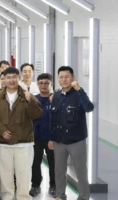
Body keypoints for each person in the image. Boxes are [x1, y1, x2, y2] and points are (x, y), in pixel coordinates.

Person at [0, 67, 43, 200]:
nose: (11, 80)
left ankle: (23, 197)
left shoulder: (27, 96)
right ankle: (7, 197)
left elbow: (37, 114)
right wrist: (1, 131)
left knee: (24, 173)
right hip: (3, 143)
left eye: (14, 77)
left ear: (19, 78)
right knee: (5, 173)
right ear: (4, 79)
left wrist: (31, 100)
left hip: (24, 143)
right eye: (8, 77)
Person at [48, 66, 94, 200]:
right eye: (61, 77)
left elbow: (89, 107)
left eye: (67, 77)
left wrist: (80, 90)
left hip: (76, 141)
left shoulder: (79, 94)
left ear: (72, 78)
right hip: (59, 141)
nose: (64, 80)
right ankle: (60, 195)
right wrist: (51, 138)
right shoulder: (56, 95)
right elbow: (52, 119)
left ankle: (84, 197)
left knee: (81, 172)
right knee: (59, 171)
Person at [30, 73, 56, 197]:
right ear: (37, 84)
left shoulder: (57, 99)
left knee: (54, 162)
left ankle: (53, 185)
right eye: (41, 83)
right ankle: (35, 185)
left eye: (46, 83)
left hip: (53, 138)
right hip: (37, 136)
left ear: (52, 84)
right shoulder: (33, 100)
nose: (43, 85)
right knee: (35, 162)